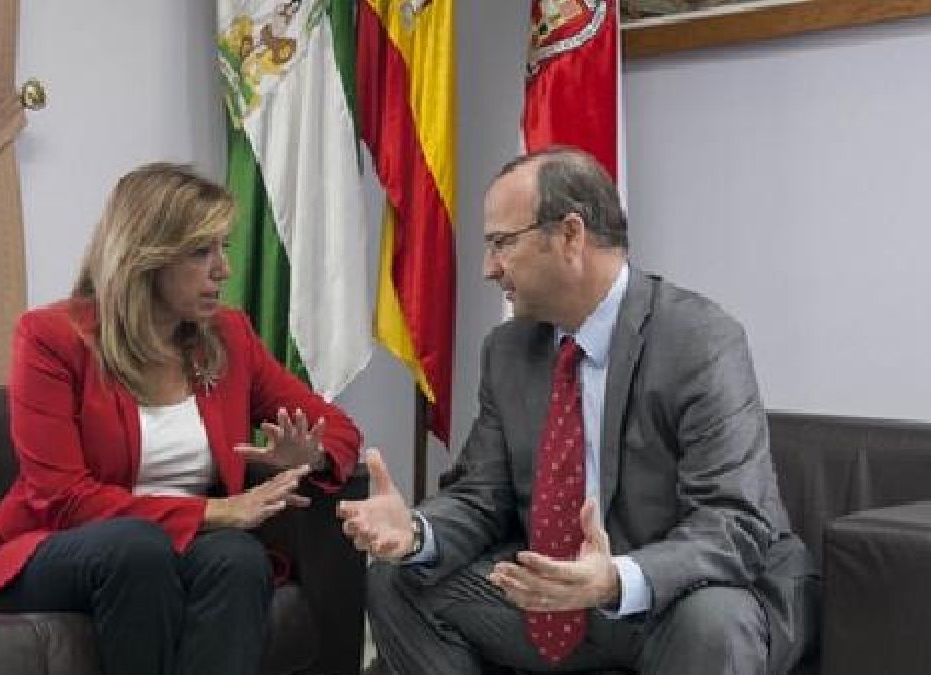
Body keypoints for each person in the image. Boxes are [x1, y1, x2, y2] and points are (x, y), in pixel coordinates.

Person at [339, 148, 818, 675]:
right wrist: (416, 532)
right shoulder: (508, 351)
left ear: (570, 235)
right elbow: (481, 496)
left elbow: (735, 521)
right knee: (397, 581)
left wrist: (615, 578)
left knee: (713, 623)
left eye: (502, 243)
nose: (488, 268)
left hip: (672, 597)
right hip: (560, 596)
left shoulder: (699, 340)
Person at [0, 162, 361, 675]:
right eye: (202, 251)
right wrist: (217, 513)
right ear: (145, 257)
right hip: (58, 552)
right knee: (140, 548)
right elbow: (63, 500)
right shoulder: (52, 338)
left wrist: (311, 452)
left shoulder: (229, 338)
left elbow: (339, 429)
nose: (224, 269)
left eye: (223, 247)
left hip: (175, 548)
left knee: (240, 559)